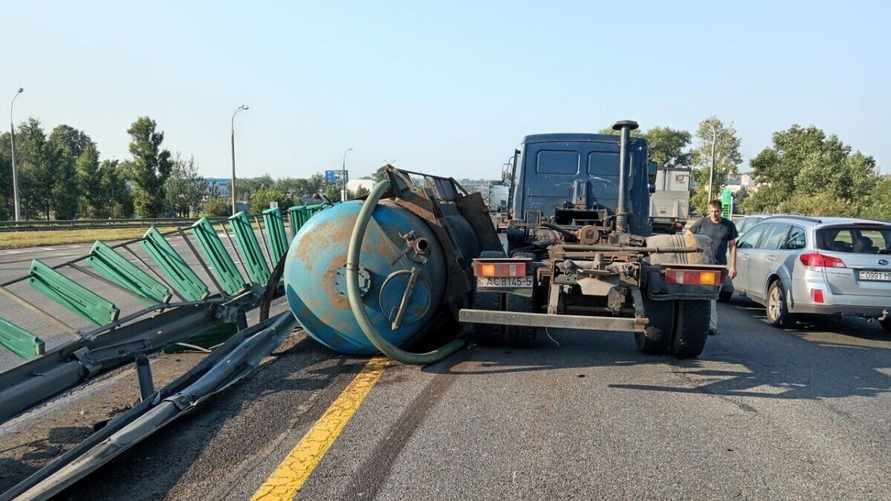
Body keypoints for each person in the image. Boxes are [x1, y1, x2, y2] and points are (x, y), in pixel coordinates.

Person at [687, 199, 738, 335]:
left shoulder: (728, 225)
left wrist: (733, 266)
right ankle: (704, 323)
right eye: (711, 211)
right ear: (708, 211)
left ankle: (711, 325)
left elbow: (733, 246)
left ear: (721, 211)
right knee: (702, 294)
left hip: (719, 266)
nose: (714, 214)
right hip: (702, 264)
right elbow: (688, 234)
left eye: (716, 211)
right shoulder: (702, 223)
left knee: (712, 295)